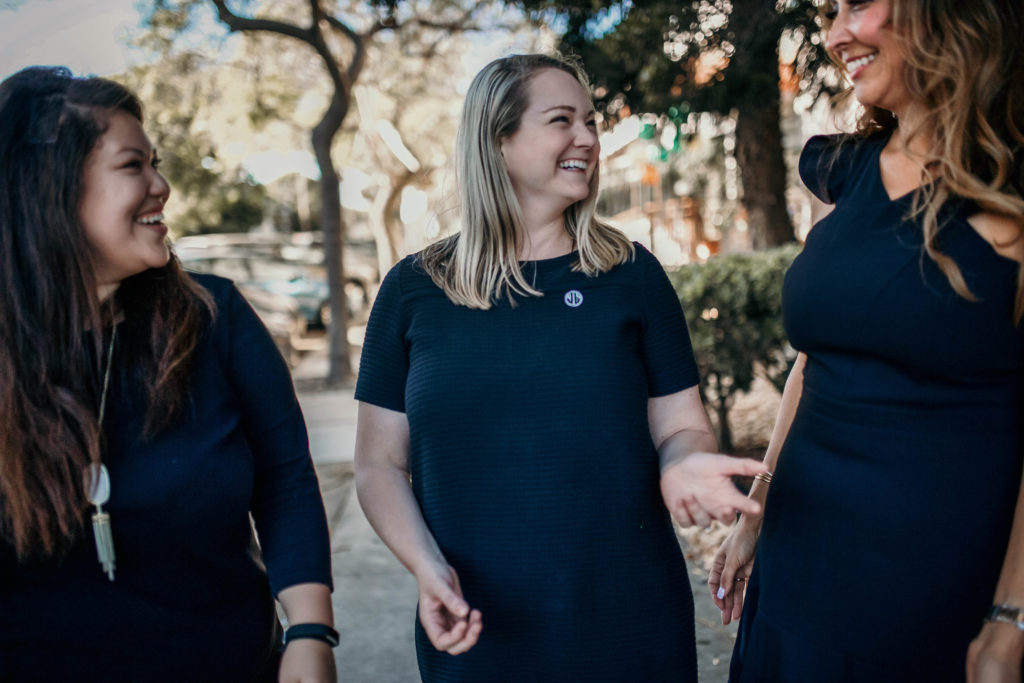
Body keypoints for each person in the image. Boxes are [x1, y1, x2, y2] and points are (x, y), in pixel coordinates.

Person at [353, 52, 768, 681]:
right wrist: (426, 569)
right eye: (561, 120)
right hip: (475, 623)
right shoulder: (414, 291)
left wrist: (684, 464)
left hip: (628, 617)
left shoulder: (632, 275)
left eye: (591, 122)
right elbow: (379, 464)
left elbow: (681, 426)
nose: (588, 139)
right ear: (498, 141)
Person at [709, 0, 1024, 680]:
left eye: (858, 5)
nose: (835, 34)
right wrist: (755, 515)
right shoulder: (842, 170)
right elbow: (813, 361)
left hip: (934, 581)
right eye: (827, 12)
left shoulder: (1012, 189)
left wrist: (1011, 619)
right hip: (798, 561)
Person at [0, 66, 336, 682]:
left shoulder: (216, 316)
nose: (162, 186)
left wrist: (310, 635)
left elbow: (284, 480)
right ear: (48, 188)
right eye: (133, 166)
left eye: (155, 162)